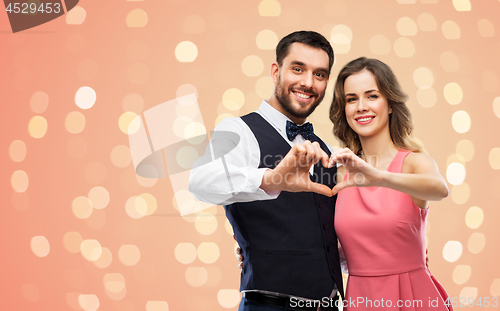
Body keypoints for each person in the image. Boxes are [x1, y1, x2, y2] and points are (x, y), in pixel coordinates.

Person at [189, 31, 344, 310]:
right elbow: (200, 181)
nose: (308, 82)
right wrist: (271, 179)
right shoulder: (237, 130)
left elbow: (327, 243)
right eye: (298, 69)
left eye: (319, 74)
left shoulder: (327, 151)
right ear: (276, 72)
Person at [328, 57, 453, 310]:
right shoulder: (339, 173)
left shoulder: (414, 163)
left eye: (372, 96)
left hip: (414, 297)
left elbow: (440, 189)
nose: (361, 107)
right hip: (360, 298)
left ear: (391, 104)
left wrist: (379, 177)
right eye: (351, 99)